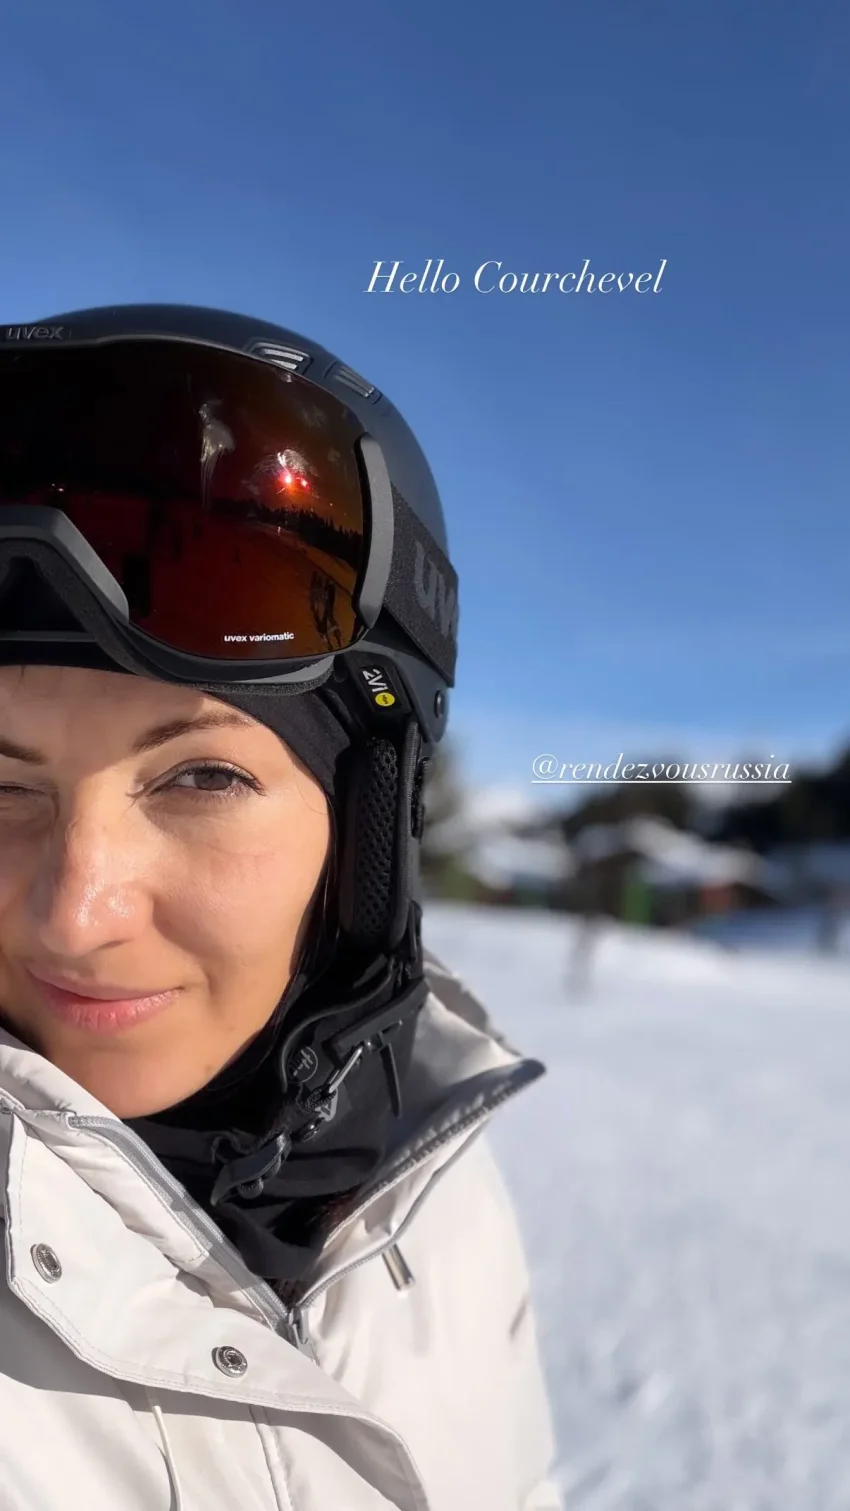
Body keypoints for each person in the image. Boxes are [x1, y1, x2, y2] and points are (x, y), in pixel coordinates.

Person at [0, 305, 562, 1511]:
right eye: (2, 787)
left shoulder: (431, 1182)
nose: (74, 914)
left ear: (368, 820)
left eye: (201, 777)